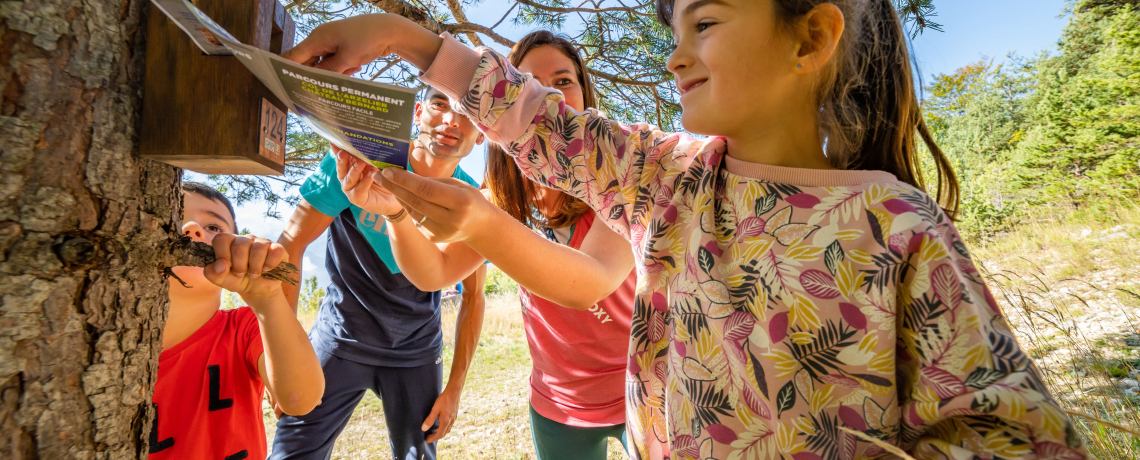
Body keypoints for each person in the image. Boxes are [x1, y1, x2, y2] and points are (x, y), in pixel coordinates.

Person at [284, 0, 1096, 459]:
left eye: (703, 24)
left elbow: (1013, 434)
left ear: (810, 36)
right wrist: (404, 40)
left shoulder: (895, 226)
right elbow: (537, 122)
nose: (676, 57)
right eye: (672, 34)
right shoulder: (665, 177)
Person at [334, 30, 637, 460]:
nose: (547, 94)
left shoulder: (617, 173)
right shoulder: (500, 194)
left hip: (640, 387)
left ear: (586, 97)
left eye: (563, 81)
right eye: (527, 82)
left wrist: (389, 34)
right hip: (557, 403)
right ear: (502, 107)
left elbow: (591, 282)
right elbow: (433, 273)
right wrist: (396, 214)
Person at [271, 87, 488, 460]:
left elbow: (474, 296)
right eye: (440, 104)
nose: (452, 120)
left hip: (416, 352)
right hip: (338, 339)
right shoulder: (360, 160)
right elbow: (290, 244)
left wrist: (454, 389)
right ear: (418, 112)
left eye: (468, 113)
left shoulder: (471, 199)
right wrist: (284, 361)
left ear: (482, 133)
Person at [151, 182, 323, 460]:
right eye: (175, 218)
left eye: (214, 229)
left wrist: (267, 299)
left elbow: (300, 399)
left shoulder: (245, 328)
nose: (193, 228)